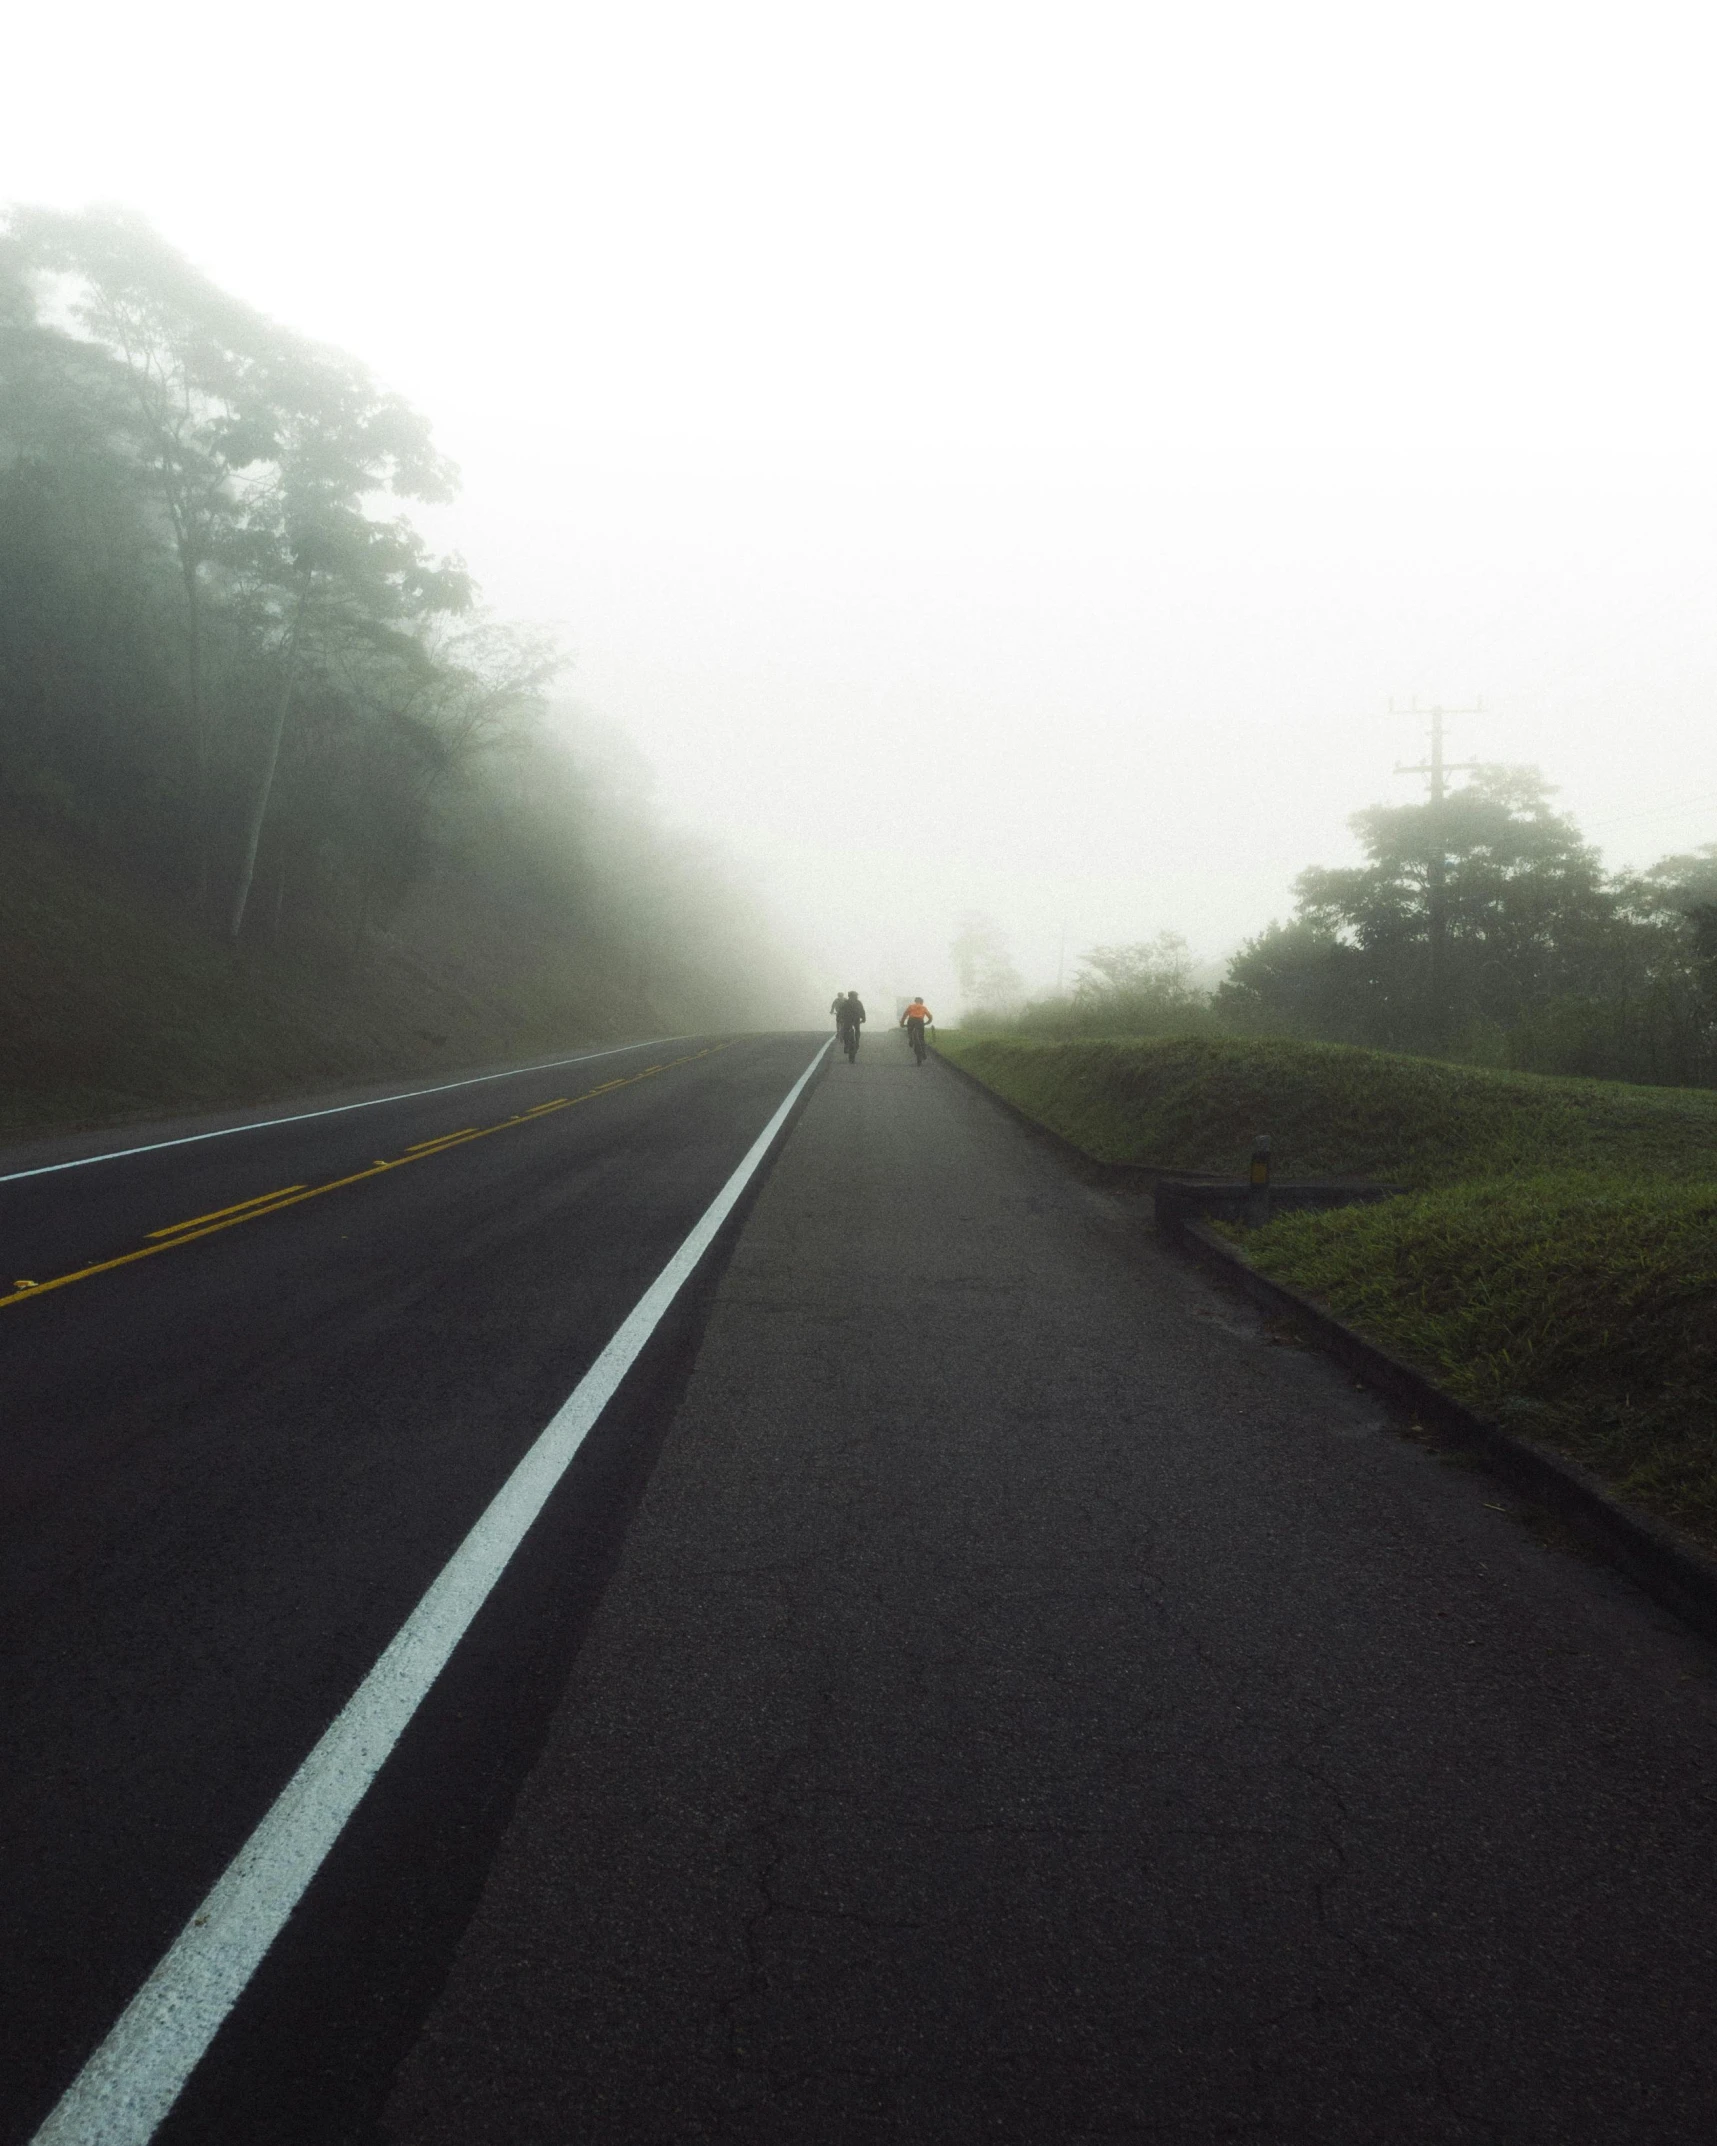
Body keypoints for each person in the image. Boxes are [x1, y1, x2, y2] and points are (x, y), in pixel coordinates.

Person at [899, 995, 933, 1063]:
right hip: (920, 1021)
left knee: (910, 1031)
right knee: (921, 1038)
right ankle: (923, 1052)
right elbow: (930, 1017)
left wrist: (902, 1023)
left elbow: (905, 1015)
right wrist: (927, 1023)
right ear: (921, 1002)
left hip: (911, 1020)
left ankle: (911, 1038)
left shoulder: (911, 1006)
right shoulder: (923, 1007)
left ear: (915, 1001)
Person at [837, 991, 866, 1056]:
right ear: (851, 996)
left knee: (849, 1031)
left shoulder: (846, 1003)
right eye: (855, 996)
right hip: (853, 1020)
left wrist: (839, 1018)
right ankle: (853, 1044)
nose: (856, 997)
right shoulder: (856, 1002)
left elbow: (840, 1011)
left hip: (850, 1020)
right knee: (855, 1030)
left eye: (856, 996)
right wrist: (863, 1018)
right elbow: (862, 1011)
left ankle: (849, 1044)